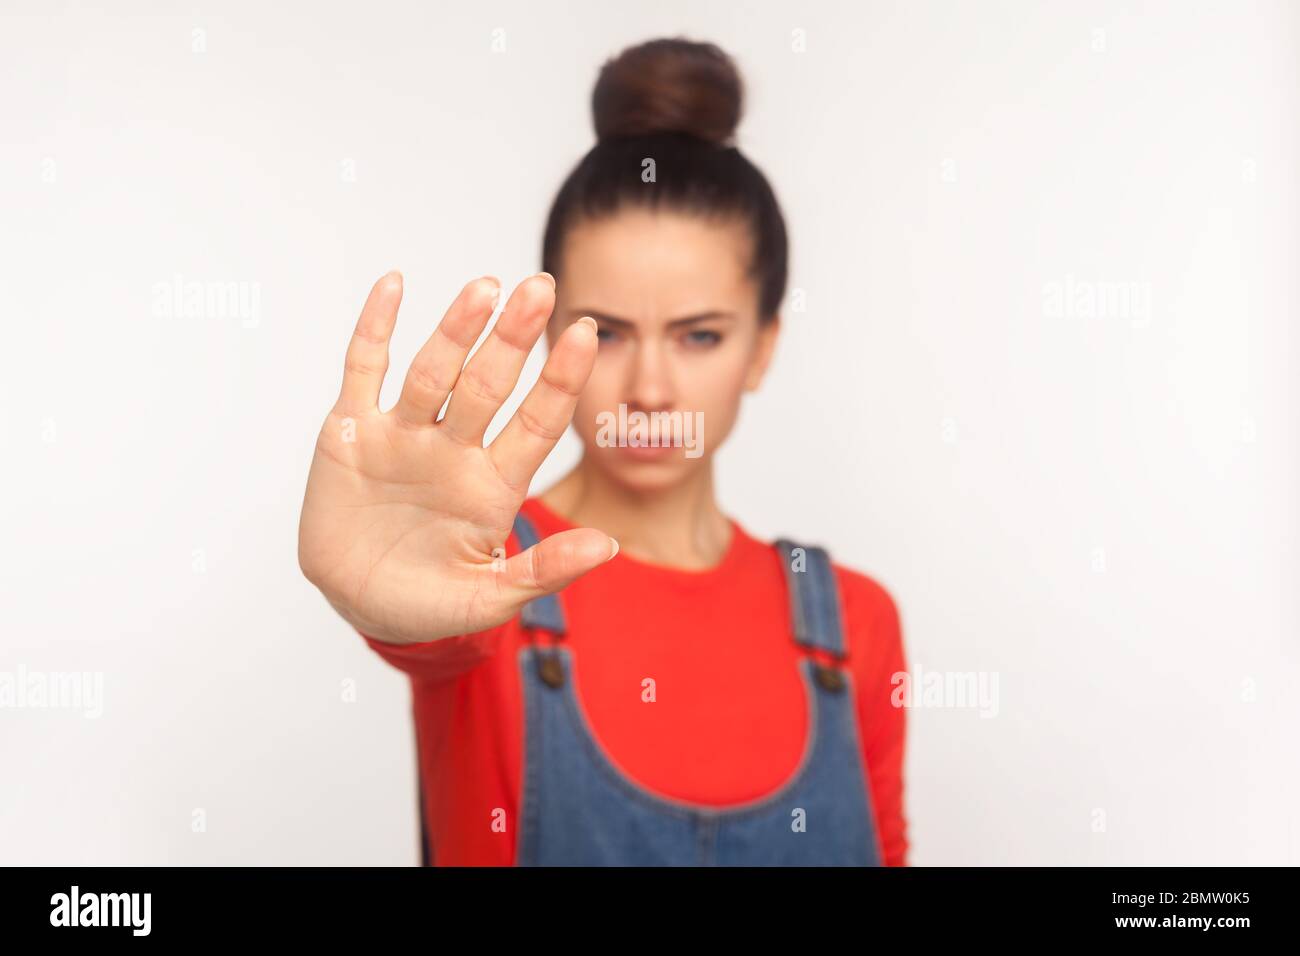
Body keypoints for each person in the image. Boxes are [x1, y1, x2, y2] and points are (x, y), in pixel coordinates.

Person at [297, 36, 909, 866]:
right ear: (553, 337)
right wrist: (382, 594)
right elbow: (428, 626)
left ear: (762, 346)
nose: (650, 390)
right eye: (606, 332)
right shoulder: (480, 573)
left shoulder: (852, 625)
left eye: (699, 335)